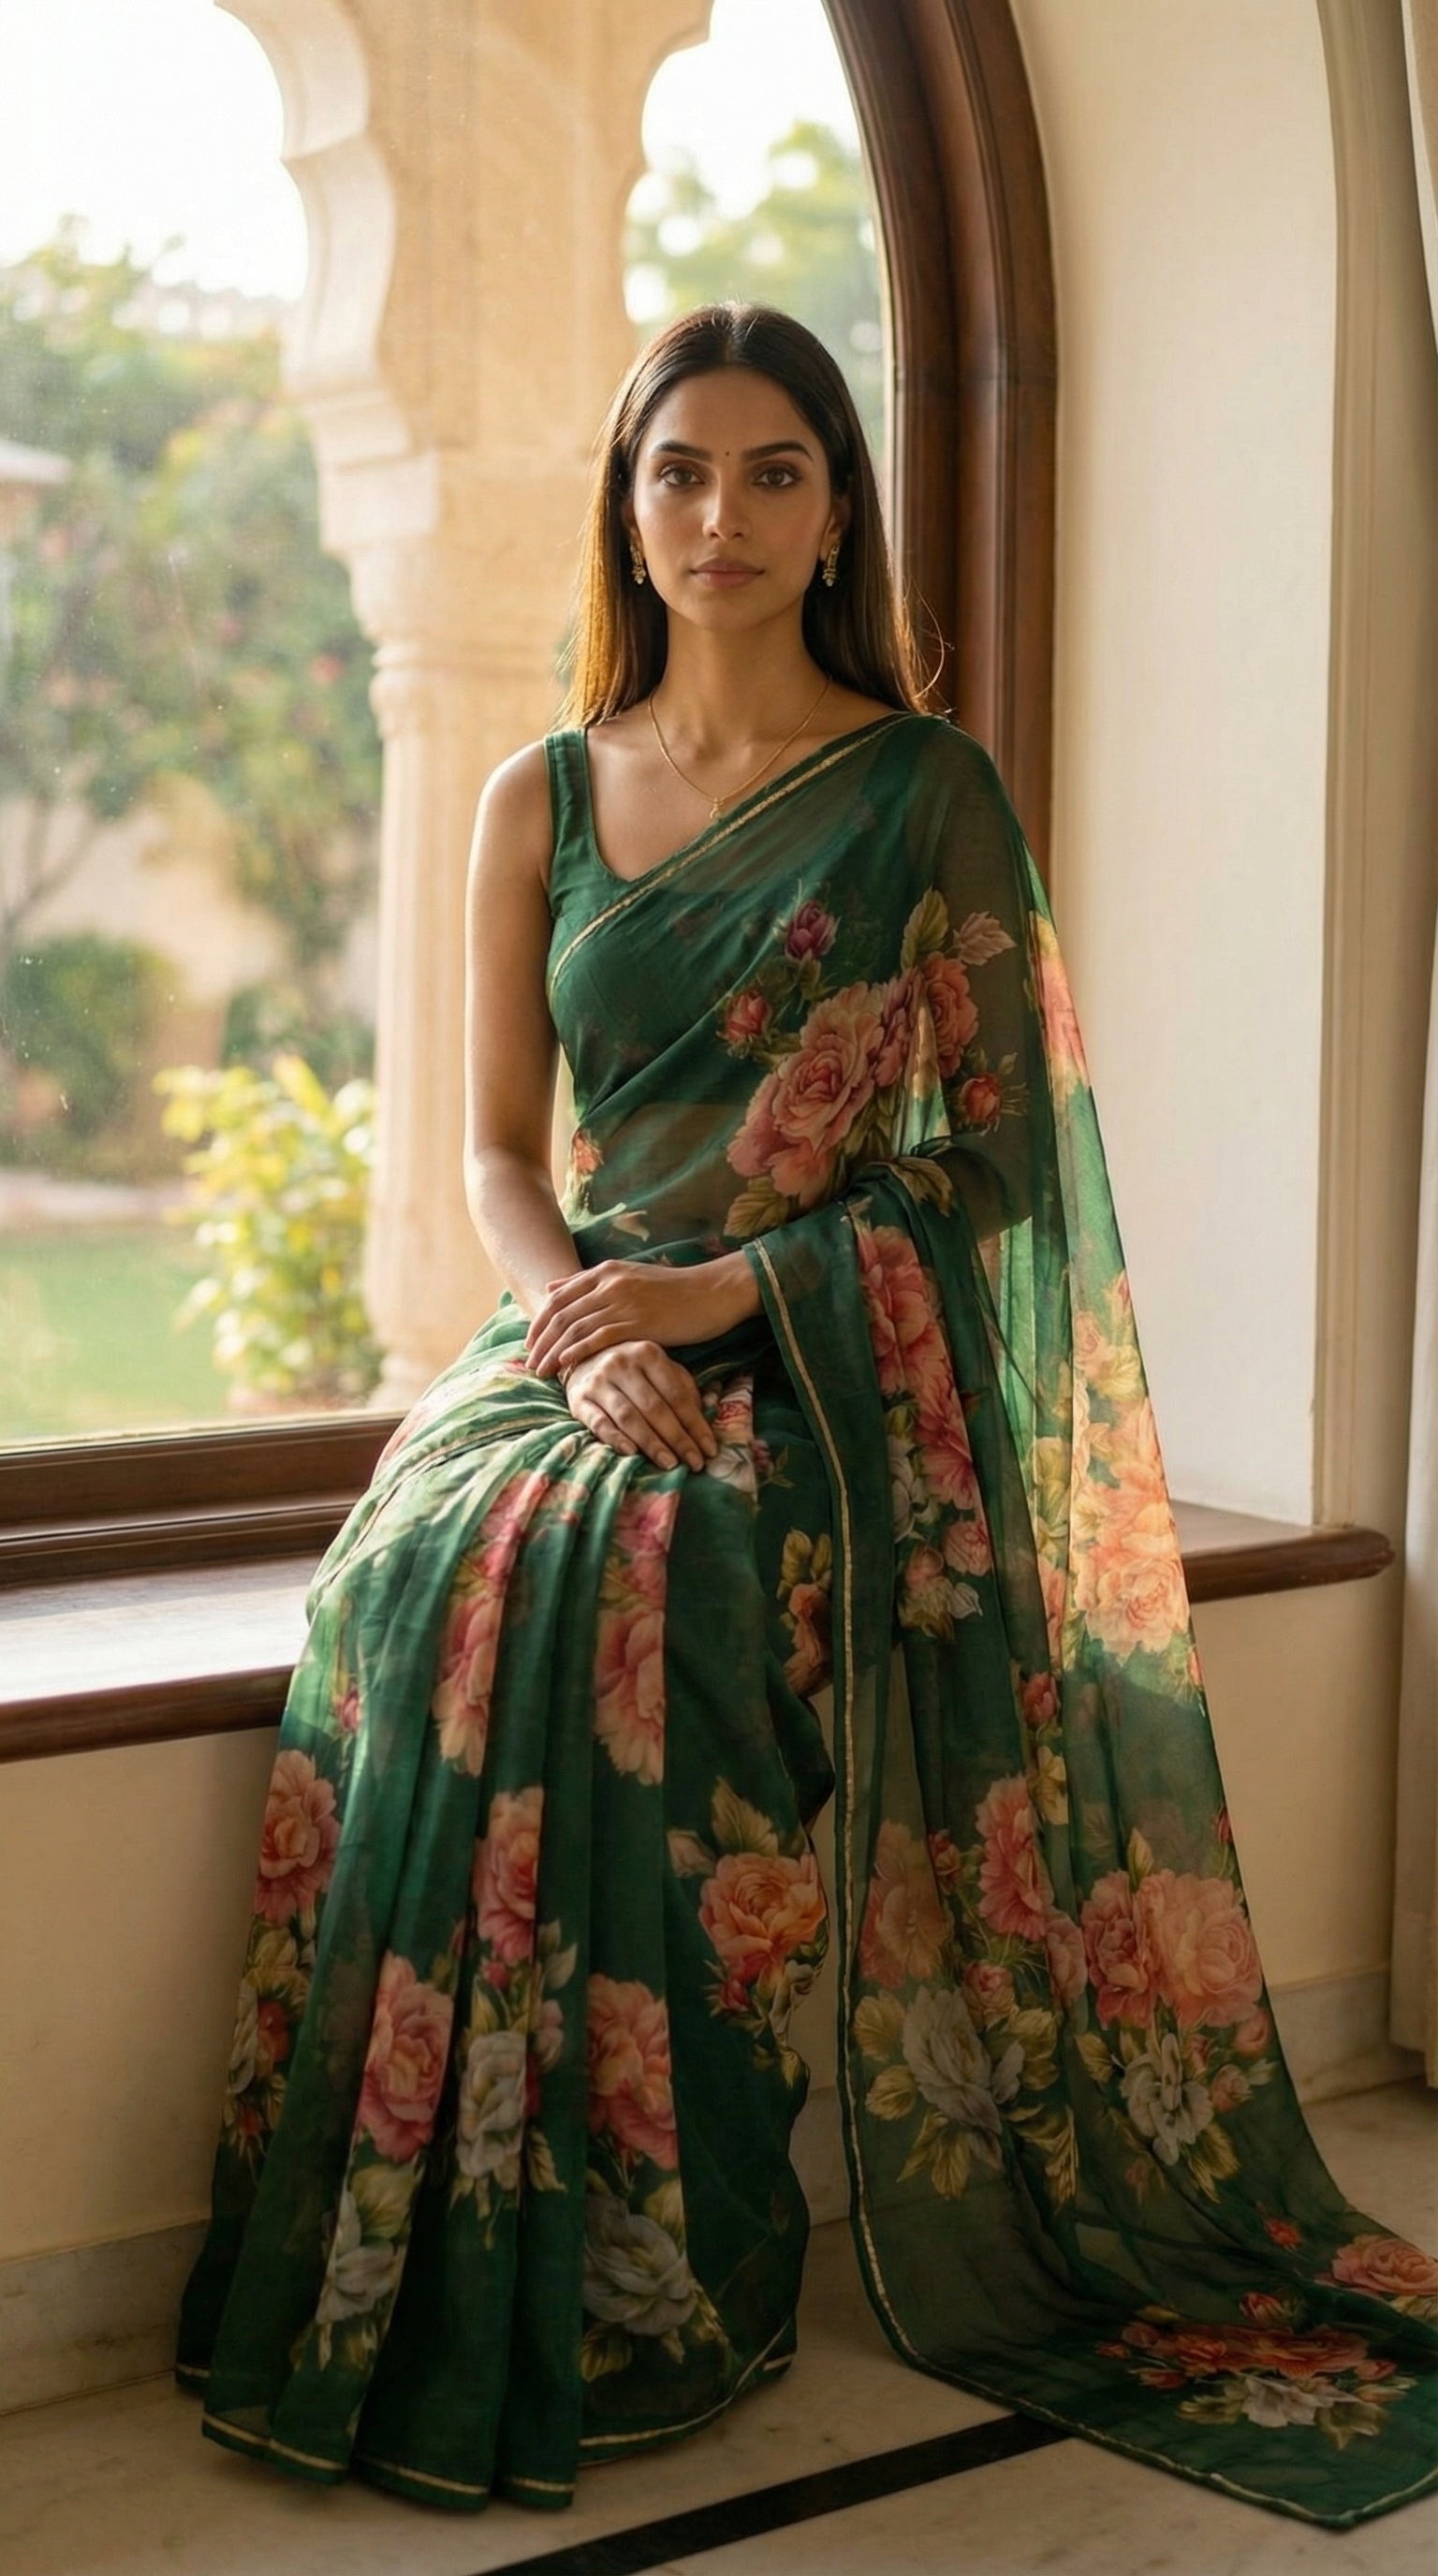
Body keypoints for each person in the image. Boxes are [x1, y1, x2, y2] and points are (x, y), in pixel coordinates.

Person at [176, 302, 1438, 2527]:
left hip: (832, 1367)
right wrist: (584, 1323)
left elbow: (1011, 1160)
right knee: (427, 1566)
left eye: (775, 471)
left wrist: (732, 1288)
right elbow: (490, 1148)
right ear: (625, 505)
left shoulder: (925, 789)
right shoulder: (539, 793)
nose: (723, 514)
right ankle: (435, 2262)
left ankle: (666, 2281)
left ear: (839, 509)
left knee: (653, 1585)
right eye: (680, 469)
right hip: (573, 1328)